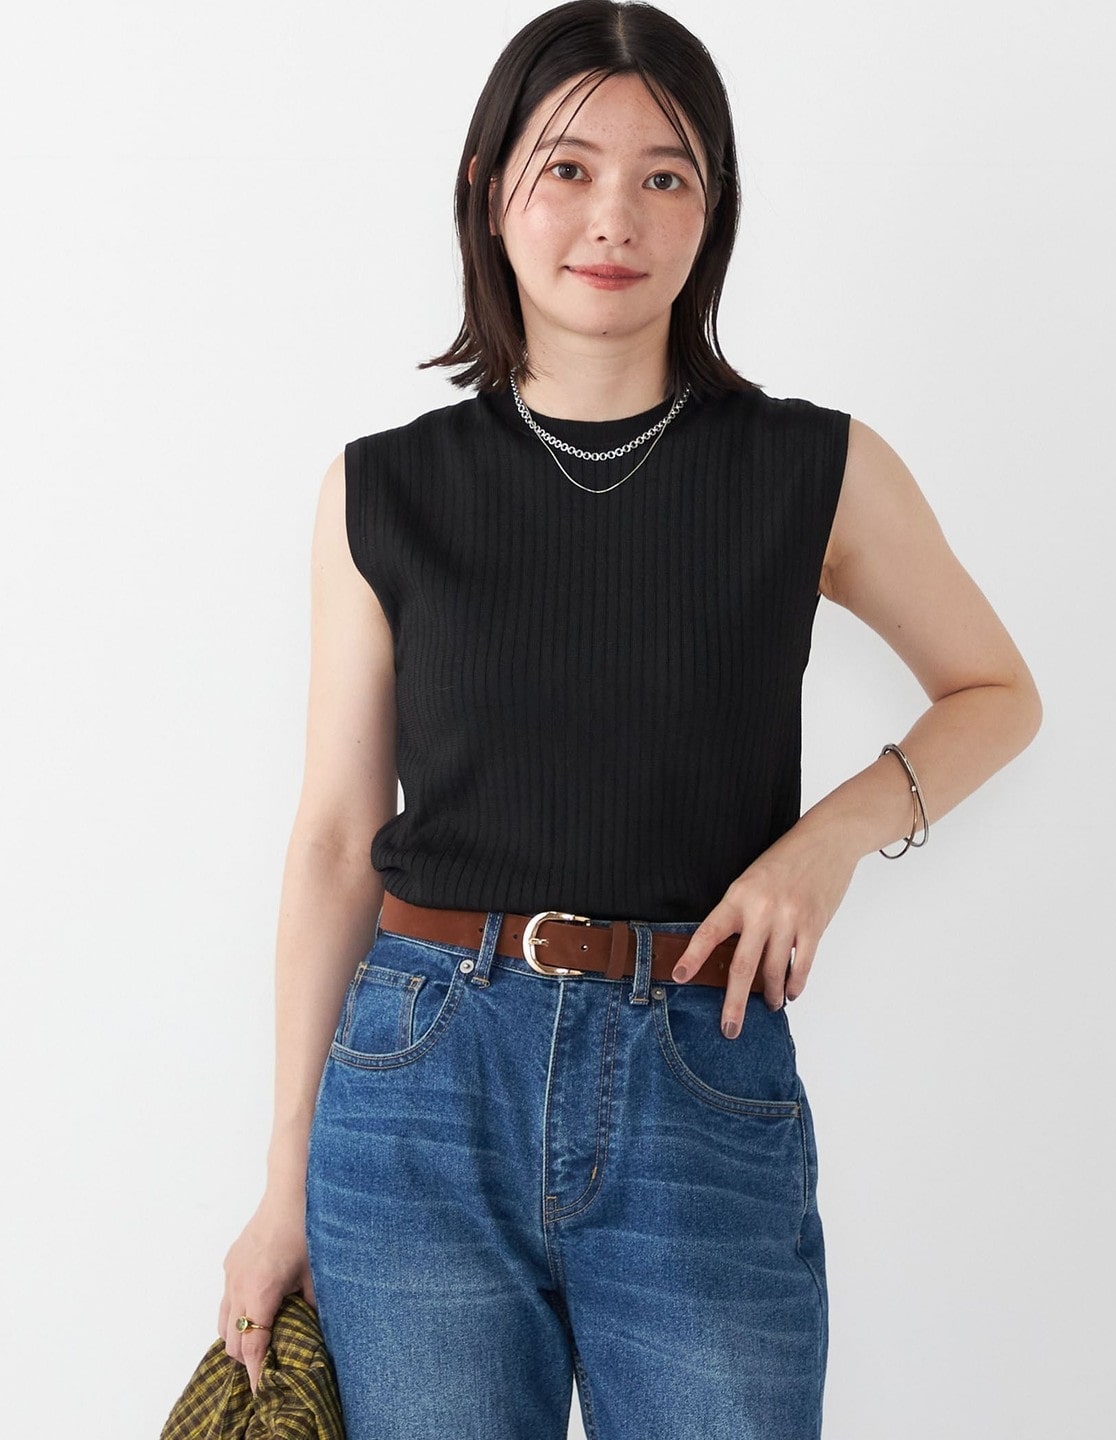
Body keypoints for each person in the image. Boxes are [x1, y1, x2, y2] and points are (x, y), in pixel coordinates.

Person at [216, 3, 1043, 1437]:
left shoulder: (816, 470)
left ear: (713, 210)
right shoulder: (382, 490)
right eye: (569, 168)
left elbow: (996, 692)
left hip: (698, 1071)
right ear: (491, 189)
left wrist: (826, 844)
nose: (616, 217)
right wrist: (281, 1180)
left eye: (666, 175)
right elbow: (339, 838)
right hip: (417, 1089)